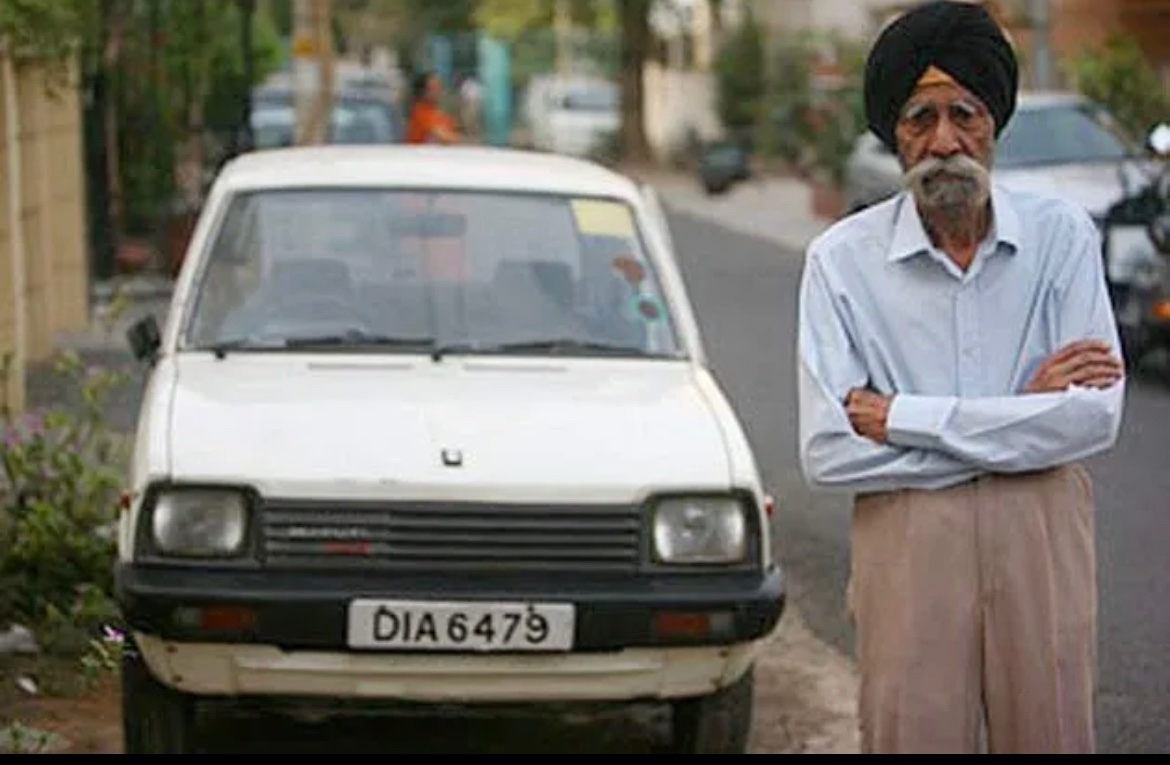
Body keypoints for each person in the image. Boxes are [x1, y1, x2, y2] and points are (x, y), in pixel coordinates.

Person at [795, 0, 1126, 754]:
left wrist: (902, 416)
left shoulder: (1061, 238)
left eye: (964, 112)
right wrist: (1022, 415)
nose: (945, 140)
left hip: (1038, 531)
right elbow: (829, 449)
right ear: (893, 133)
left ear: (994, 120)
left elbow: (1092, 417)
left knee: (1054, 733)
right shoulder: (841, 263)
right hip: (909, 540)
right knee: (911, 734)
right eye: (919, 117)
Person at [405, 70, 461, 145]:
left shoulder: (439, 112)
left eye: (439, 86)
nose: (439, 90)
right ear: (422, 91)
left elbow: (455, 132)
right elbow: (444, 137)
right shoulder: (419, 111)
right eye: (433, 87)